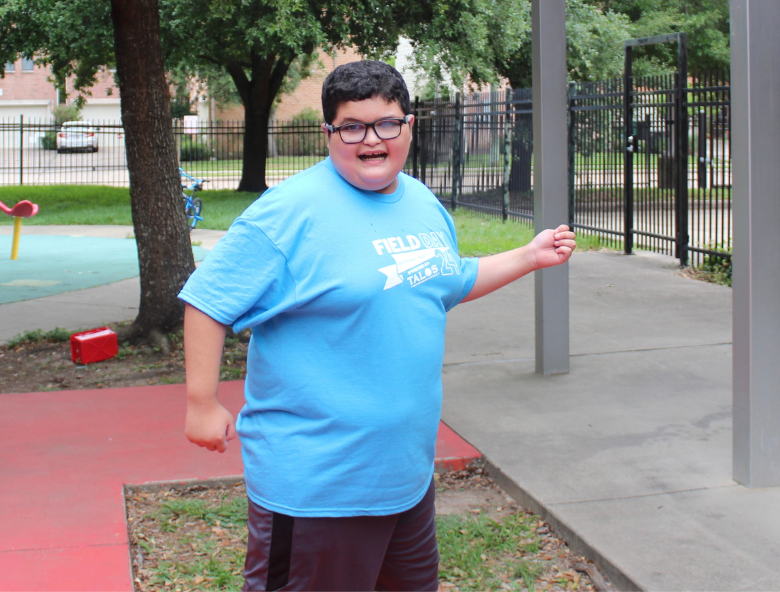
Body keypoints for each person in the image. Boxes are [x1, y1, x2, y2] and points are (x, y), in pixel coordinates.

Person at [179, 60, 575, 591]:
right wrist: (201, 402)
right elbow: (208, 300)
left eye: (387, 123)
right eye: (352, 127)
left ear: (408, 125)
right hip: (318, 488)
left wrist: (528, 255)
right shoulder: (288, 213)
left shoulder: (423, 203)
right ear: (329, 133)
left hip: (404, 480)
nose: (371, 140)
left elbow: (444, 280)